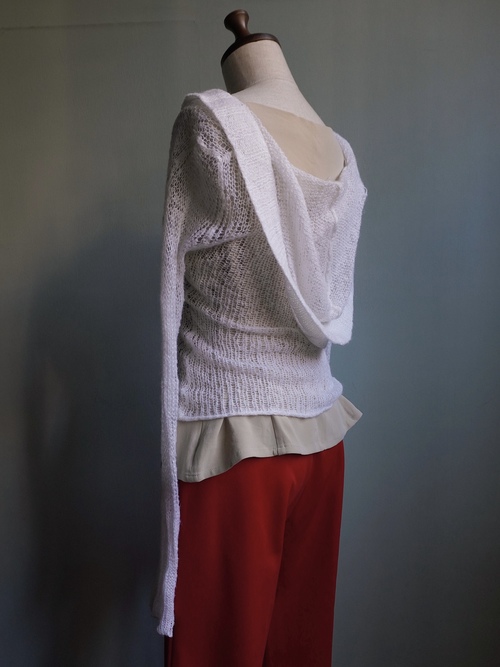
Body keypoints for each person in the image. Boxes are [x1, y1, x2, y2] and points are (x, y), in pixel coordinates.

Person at [153, 10, 367, 666]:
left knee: (214, 653)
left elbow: (169, 286)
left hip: (232, 448)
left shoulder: (211, 127)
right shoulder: (341, 154)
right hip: (322, 444)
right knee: (300, 650)